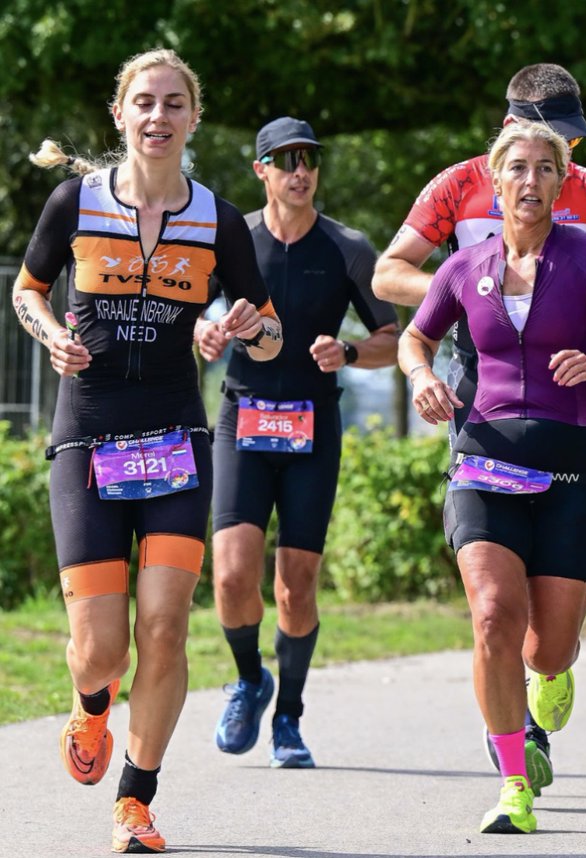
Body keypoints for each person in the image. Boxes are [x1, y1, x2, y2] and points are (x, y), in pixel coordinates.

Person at [11, 48, 281, 852]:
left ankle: (137, 800)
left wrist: (248, 328)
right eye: (144, 103)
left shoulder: (220, 221)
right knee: (98, 647)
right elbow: (26, 290)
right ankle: (92, 706)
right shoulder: (74, 202)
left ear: (192, 118)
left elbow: (269, 336)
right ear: (120, 116)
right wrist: (54, 332)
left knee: (162, 629)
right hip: (87, 438)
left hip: (174, 443)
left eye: (173, 104)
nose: (158, 116)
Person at [372, 61, 586, 785]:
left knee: (550, 638)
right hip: (482, 397)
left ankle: (546, 675)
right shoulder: (458, 184)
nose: (554, 164)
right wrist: (471, 293)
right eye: (543, 143)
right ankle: (516, 750)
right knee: (496, 610)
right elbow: (388, 274)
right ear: (508, 128)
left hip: (568, 410)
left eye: (564, 147)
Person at [195, 117, 398, 769]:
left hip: (314, 425)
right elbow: (188, 308)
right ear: (262, 170)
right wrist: (204, 331)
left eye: (309, 159)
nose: (300, 171)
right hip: (242, 419)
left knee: (296, 585)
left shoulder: (348, 247)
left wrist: (351, 349)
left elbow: (397, 339)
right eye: (285, 160)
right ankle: (251, 678)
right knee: (230, 576)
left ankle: (289, 717)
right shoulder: (234, 241)